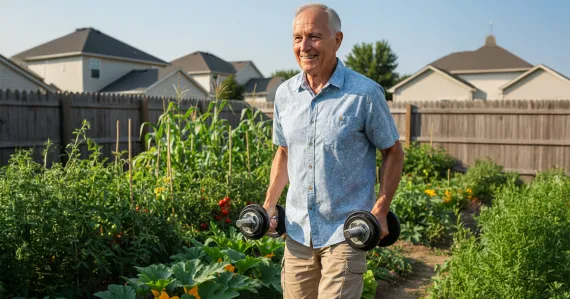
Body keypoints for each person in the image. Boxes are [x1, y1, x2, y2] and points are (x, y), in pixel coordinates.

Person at [262, 3, 405, 299]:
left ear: (337, 40)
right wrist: (269, 204)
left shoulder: (364, 94)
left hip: (346, 233)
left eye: (314, 36)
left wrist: (380, 209)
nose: (304, 46)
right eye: (297, 38)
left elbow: (393, 151)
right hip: (298, 232)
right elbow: (284, 151)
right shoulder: (285, 95)